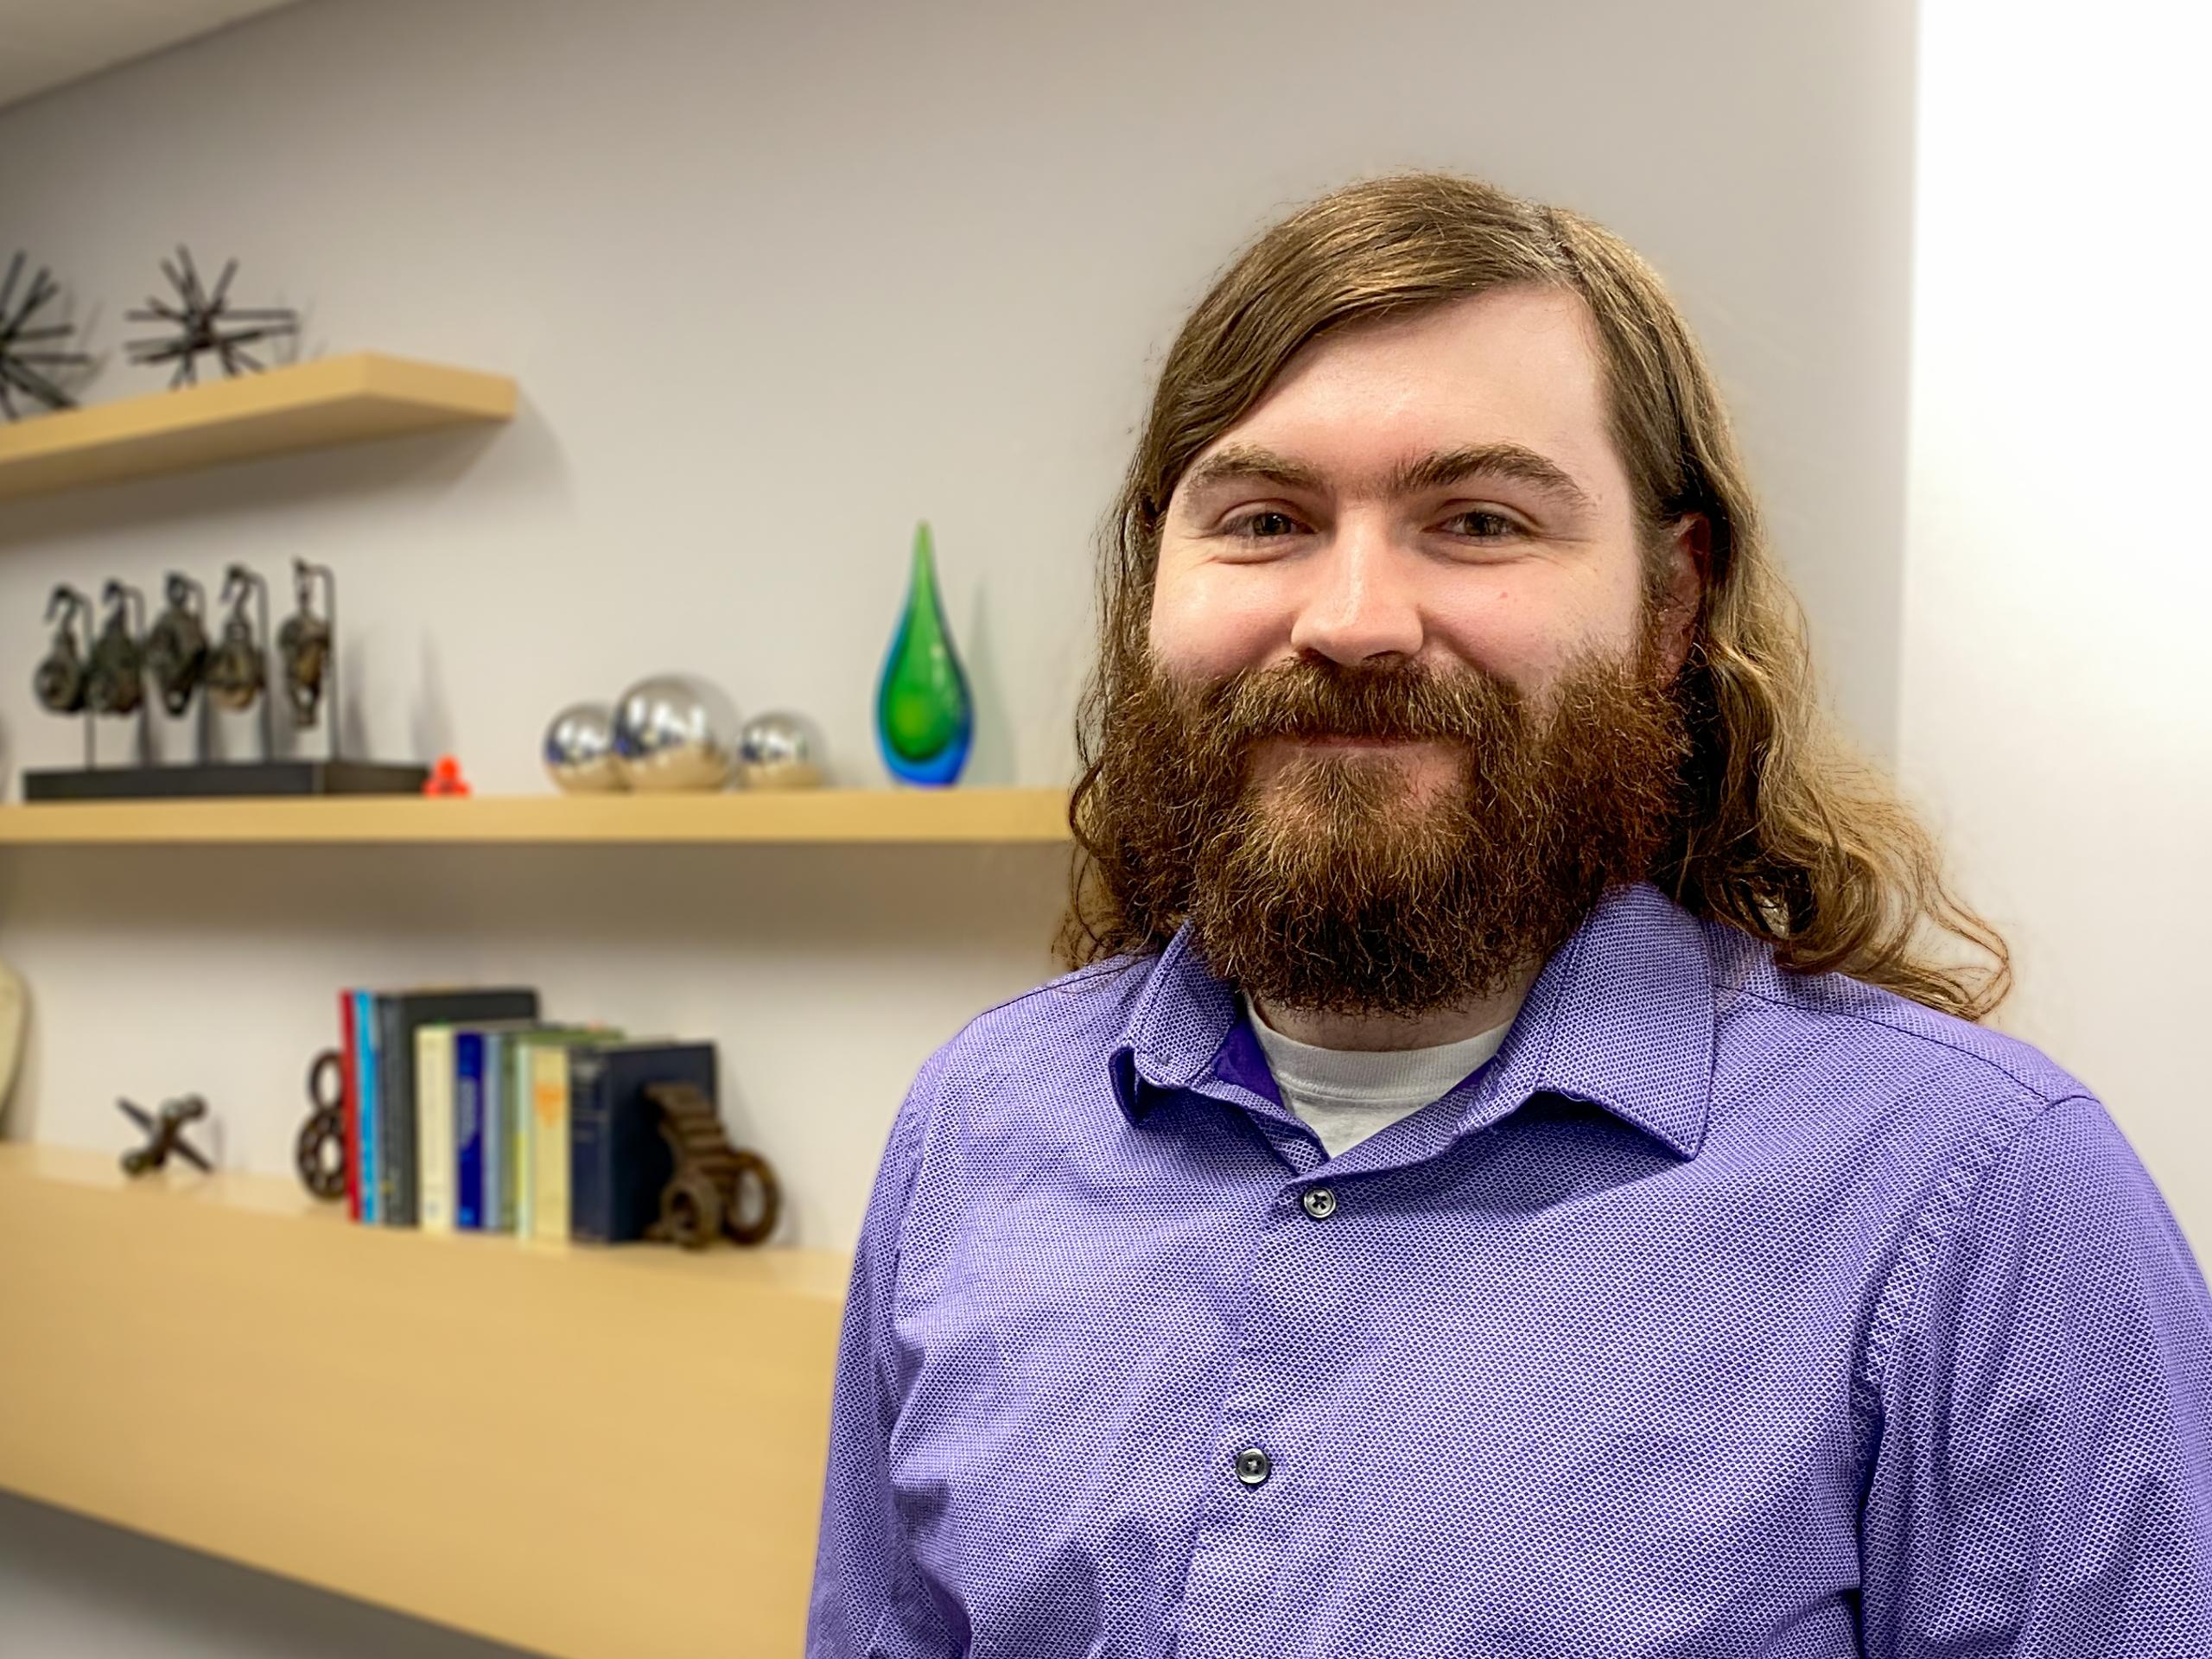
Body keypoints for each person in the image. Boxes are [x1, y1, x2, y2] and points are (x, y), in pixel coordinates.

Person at [805, 171, 2212, 1656]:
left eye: (1478, 521)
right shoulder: (977, 1127)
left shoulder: (1981, 1202)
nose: (1352, 620)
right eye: (1266, 520)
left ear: (1673, 604)